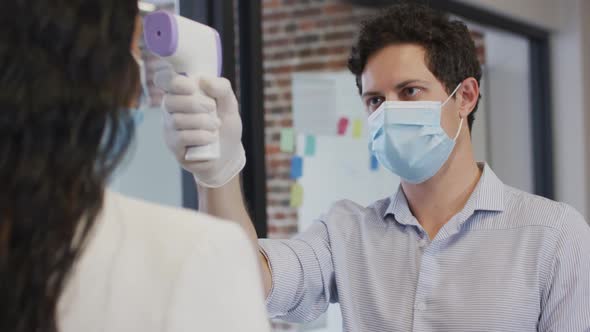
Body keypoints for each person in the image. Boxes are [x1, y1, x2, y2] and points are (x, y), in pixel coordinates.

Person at [157, 2, 590, 331]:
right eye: (376, 100)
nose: (390, 111)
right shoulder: (347, 232)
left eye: (410, 91)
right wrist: (219, 172)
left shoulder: (554, 236)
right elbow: (248, 280)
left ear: (465, 96)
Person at [0, 1, 270, 332]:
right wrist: (219, 175)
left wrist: (217, 176)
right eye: (137, 48)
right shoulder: (192, 255)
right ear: (110, 76)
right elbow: (255, 282)